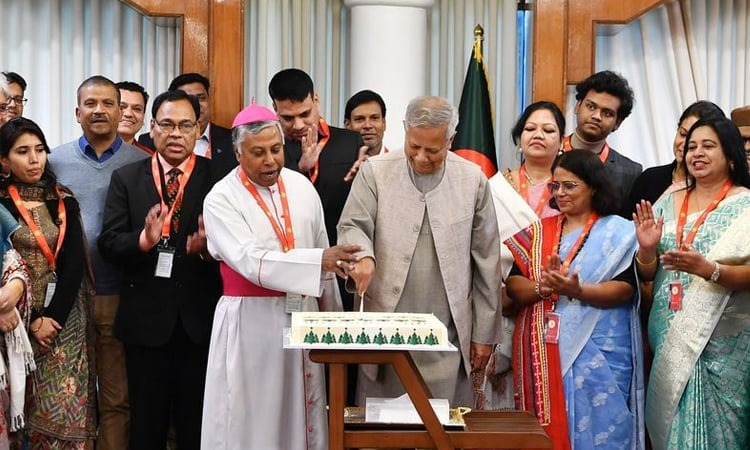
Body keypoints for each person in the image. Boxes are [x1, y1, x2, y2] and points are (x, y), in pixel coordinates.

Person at [200, 103, 360, 450]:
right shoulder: (221, 198)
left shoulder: (302, 186)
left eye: (276, 149)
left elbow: (326, 262)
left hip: (303, 316)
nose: (271, 160)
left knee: (303, 412)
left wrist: (332, 328)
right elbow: (249, 259)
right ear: (239, 152)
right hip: (250, 324)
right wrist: (319, 261)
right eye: (258, 153)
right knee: (253, 417)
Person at [338, 96, 502, 407]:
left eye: (433, 150)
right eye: (414, 146)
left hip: (448, 335)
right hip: (385, 330)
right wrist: (363, 257)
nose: (422, 157)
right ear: (404, 131)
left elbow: (487, 262)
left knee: (443, 430)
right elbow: (353, 225)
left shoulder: (473, 180)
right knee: (380, 432)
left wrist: (484, 335)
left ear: (451, 140)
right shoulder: (375, 172)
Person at [98, 90, 221, 450]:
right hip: (145, 321)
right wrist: (143, 241)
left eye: (185, 125)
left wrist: (207, 252)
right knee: (146, 425)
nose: (175, 134)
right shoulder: (128, 177)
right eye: (166, 124)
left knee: (195, 422)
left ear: (198, 129)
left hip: (200, 320)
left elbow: (236, 245)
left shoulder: (218, 178)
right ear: (152, 128)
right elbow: (108, 242)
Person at [505, 149, 644, 450]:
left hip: (604, 347)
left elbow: (625, 290)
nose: (561, 193)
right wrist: (545, 287)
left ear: (593, 186)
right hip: (545, 349)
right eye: (556, 186)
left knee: (606, 430)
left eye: (570, 185)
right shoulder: (540, 233)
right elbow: (514, 286)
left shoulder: (618, 232)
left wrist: (577, 291)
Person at [634, 117, 750, 449]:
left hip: (724, 345)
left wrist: (711, 270)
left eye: (708, 146)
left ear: (730, 155)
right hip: (668, 332)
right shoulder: (667, 202)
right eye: (691, 147)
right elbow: (647, 274)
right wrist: (645, 249)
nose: (696, 153)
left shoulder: (745, 206)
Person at [49, 75, 146, 450]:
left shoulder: (140, 162)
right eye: (91, 103)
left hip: (116, 292)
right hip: (65, 297)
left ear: (121, 111)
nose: (99, 110)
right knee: (66, 393)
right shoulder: (54, 161)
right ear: (77, 112)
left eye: (108, 103)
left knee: (115, 395)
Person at [0, 117, 97, 448]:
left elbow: (72, 267)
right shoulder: (1, 203)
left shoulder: (61, 198)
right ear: (3, 160)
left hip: (63, 319)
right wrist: (31, 320)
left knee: (61, 406)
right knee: (18, 410)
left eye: (40, 150)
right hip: (14, 319)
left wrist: (51, 318)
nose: (34, 159)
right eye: (22, 151)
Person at [564, 70, 642, 216]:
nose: (596, 117)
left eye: (607, 113)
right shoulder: (549, 155)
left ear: (617, 123)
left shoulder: (630, 172)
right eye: (591, 106)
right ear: (577, 106)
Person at [627, 101, 724, 215]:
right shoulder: (649, 179)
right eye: (683, 134)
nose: (685, 143)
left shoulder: (719, 190)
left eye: (695, 139)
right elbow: (625, 227)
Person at [138, 73, 237, 181]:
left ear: (209, 101)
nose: (196, 104)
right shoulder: (147, 141)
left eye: (201, 98)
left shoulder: (232, 140)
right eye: (187, 98)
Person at [499, 101, 565, 219]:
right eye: (530, 129)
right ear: (520, 139)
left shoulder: (570, 187)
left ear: (561, 142)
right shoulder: (501, 185)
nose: (538, 135)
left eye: (548, 130)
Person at [344, 89, 388, 155]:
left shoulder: (402, 164)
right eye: (359, 119)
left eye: (374, 118)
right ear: (347, 125)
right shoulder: (331, 164)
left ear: (384, 124)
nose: (367, 125)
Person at [116, 81, 152, 154]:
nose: (128, 114)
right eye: (122, 107)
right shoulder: (89, 151)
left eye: (137, 109)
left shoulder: (148, 157)